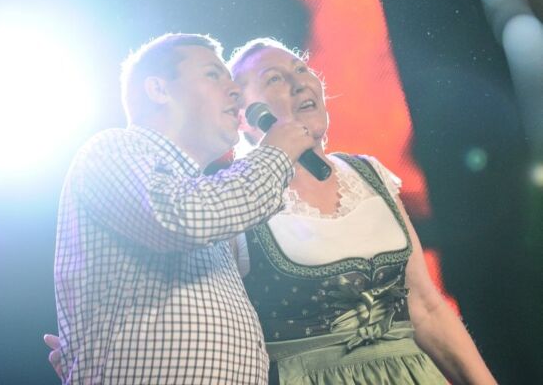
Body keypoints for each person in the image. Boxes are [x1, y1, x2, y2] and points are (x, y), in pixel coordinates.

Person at [227, 38, 497, 384]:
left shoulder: (370, 175)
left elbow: (426, 307)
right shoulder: (236, 198)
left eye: (301, 69)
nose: (299, 83)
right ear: (244, 117)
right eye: (274, 79)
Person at [51, 33, 316, 384]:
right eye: (213, 74)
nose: (235, 91)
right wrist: (276, 154)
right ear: (159, 90)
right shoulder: (110, 150)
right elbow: (182, 219)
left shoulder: (206, 193)